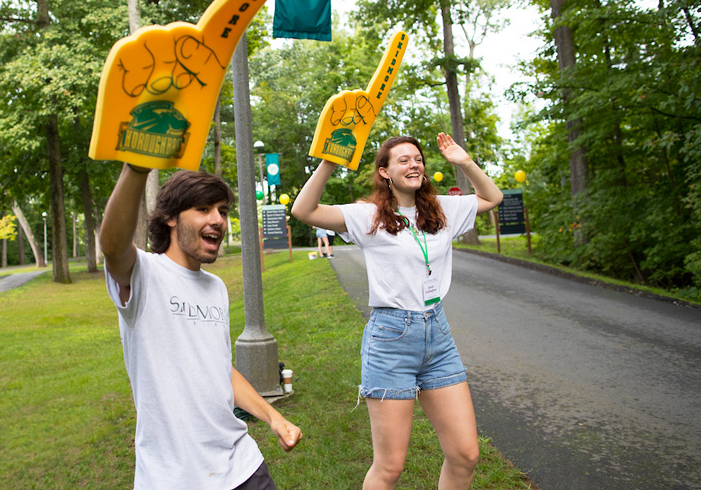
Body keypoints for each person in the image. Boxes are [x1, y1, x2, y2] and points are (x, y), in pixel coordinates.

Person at [291, 133, 502, 490]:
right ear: (385, 171)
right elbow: (303, 211)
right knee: (390, 467)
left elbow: (492, 197)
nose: (414, 164)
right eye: (403, 160)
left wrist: (463, 161)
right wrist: (330, 160)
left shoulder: (443, 210)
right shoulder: (368, 216)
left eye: (417, 158)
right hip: (391, 339)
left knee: (466, 454)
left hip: (438, 336)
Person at [100, 165, 303, 490]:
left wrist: (273, 418)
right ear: (170, 217)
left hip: (243, 466)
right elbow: (112, 246)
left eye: (222, 211)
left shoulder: (216, 288)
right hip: (173, 478)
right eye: (203, 209)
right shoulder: (144, 274)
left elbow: (221, 368)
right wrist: (137, 169)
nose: (218, 220)